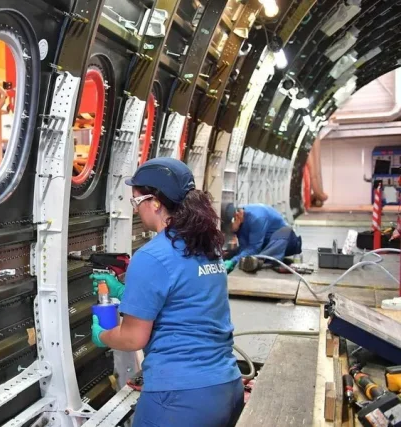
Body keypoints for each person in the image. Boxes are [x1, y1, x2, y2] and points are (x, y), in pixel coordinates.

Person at [89, 158, 243, 427]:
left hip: (179, 400)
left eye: (136, 202)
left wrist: (102, 335)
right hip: (226, 388)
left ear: (156, 202)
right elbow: (185, 299)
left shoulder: (151, 256)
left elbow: (134, 337)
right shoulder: (208, 245)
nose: (136, 211)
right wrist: (126, 292)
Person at [221, 203, 302, 273]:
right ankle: (257, 259)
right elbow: (245, 247)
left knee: (284, 233)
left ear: (237, 217)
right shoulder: (240, 220)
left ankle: (258, 261)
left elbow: (254, 248)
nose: (230, 231)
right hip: (263, 244)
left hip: (286, 240)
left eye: (229, 228)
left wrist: (233, 261)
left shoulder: (257, 218)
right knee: (233, 253)